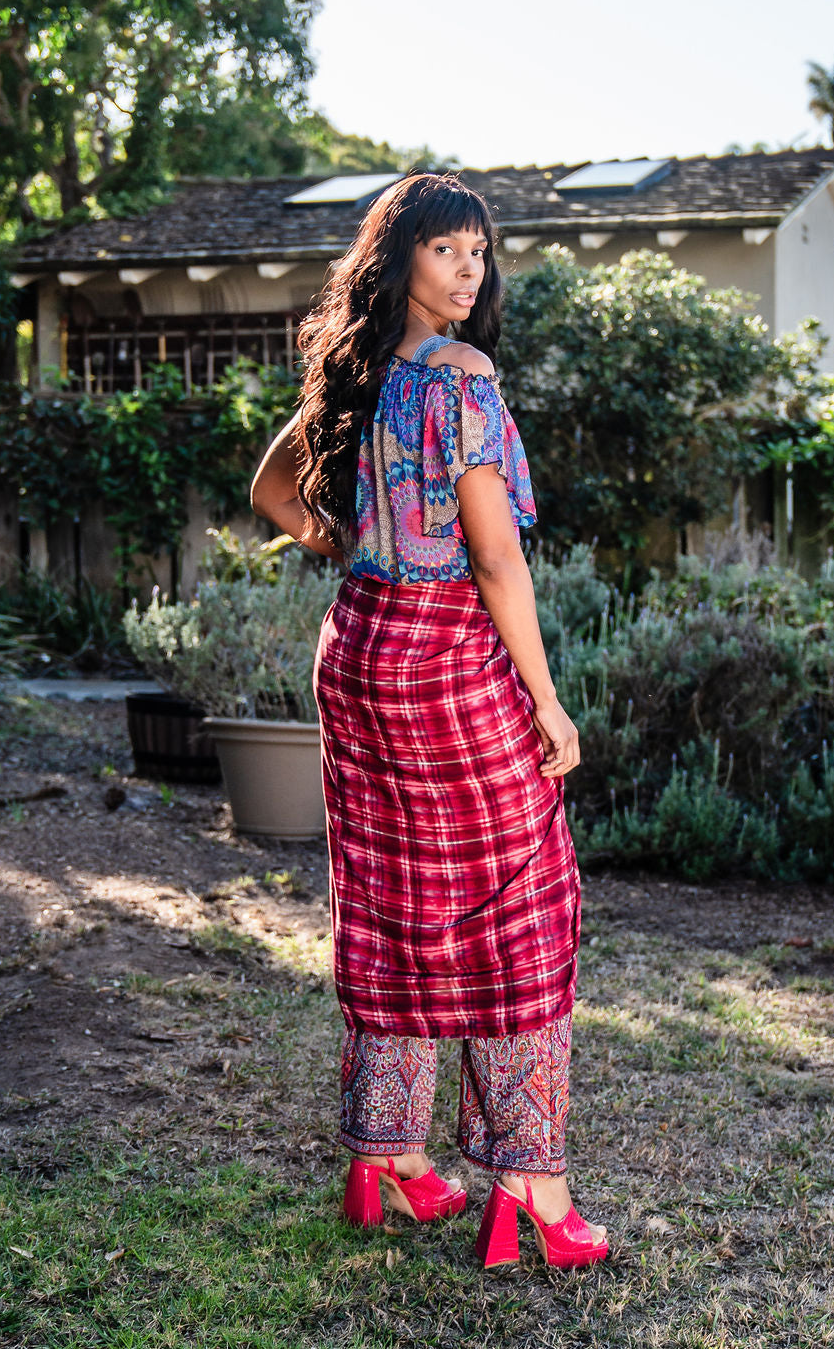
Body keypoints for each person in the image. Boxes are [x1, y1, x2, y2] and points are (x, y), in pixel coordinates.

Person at [250, 172, 607, 1269]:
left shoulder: (351, 373)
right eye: (447, 249)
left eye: (478, 252)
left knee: (394, 897)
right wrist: (545, 698)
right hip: (447, 654)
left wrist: (349, 543)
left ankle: (388, 1160)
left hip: (356, 650)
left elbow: (270, 490)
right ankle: (531, 1190)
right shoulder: (462, 380)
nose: (470, 271)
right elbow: (496, 556)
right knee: (523, 907)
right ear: (400, 255)